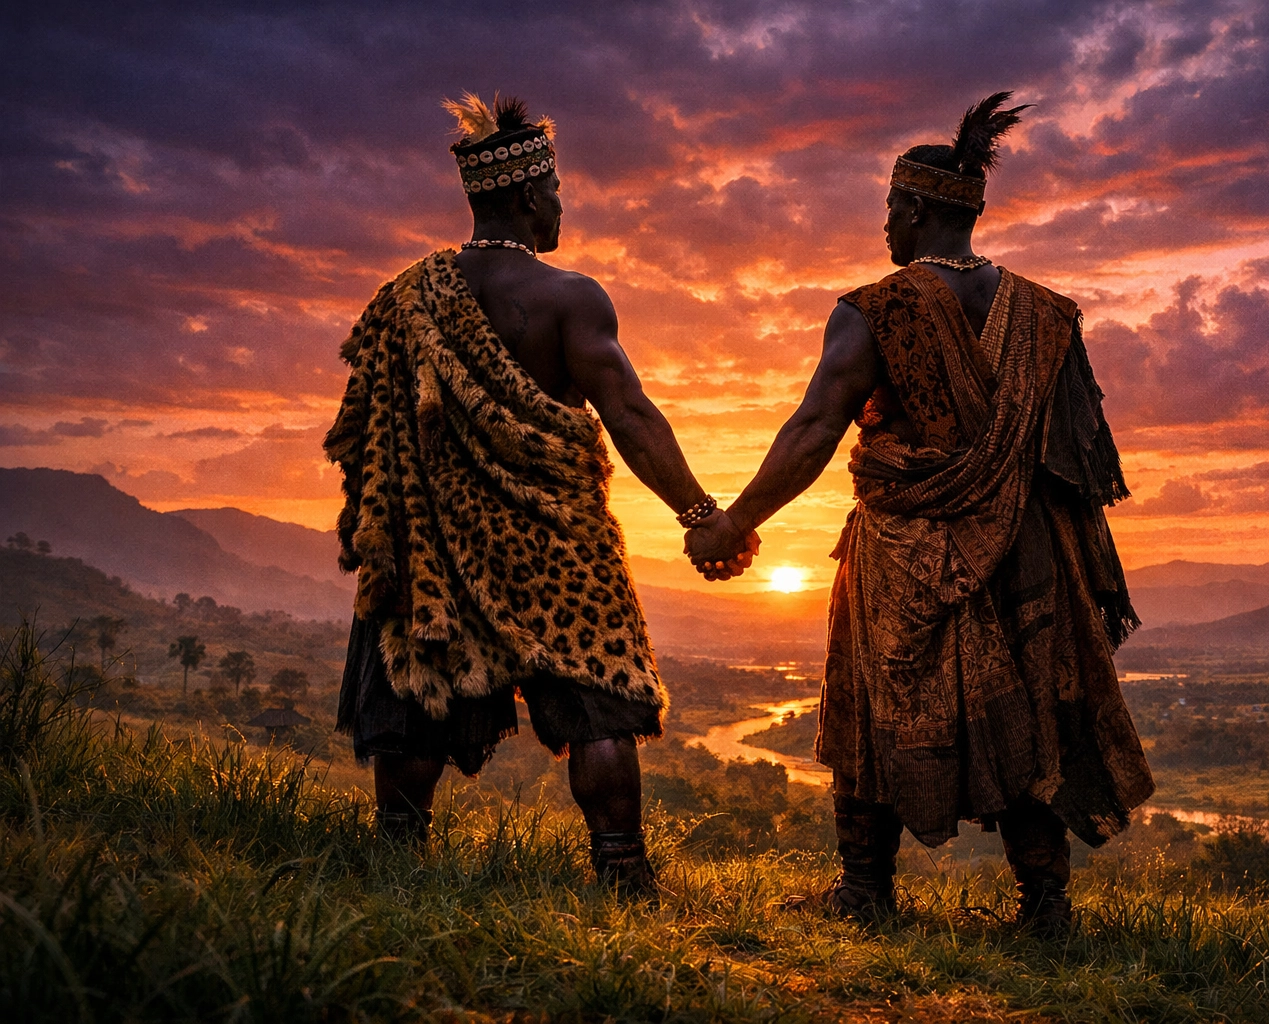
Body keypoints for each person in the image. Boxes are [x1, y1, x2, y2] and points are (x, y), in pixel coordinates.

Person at [685, 93, 1154, 933]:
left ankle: (865, 893)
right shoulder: (1050, 316)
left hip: (903, 554)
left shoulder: (875, 307)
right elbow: (1082, 465)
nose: (885, 229)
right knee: (1033, 717)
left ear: (914, 207)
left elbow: (814, 428)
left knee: (873, 704)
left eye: (888, 210)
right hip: (1026, 550)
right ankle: (1046, 906)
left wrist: (734, 521)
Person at [326, 92, 754, 890]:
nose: (560, 205)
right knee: (598, 691)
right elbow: (627, 410)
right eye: (555, 191)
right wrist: (704, 517)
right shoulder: (569, 297)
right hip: (554, 540)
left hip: (433, 540)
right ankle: (623, 874)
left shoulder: (400, 298)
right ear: (527, 194)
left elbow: (366, 432)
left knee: (418, 688)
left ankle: (394, 865)